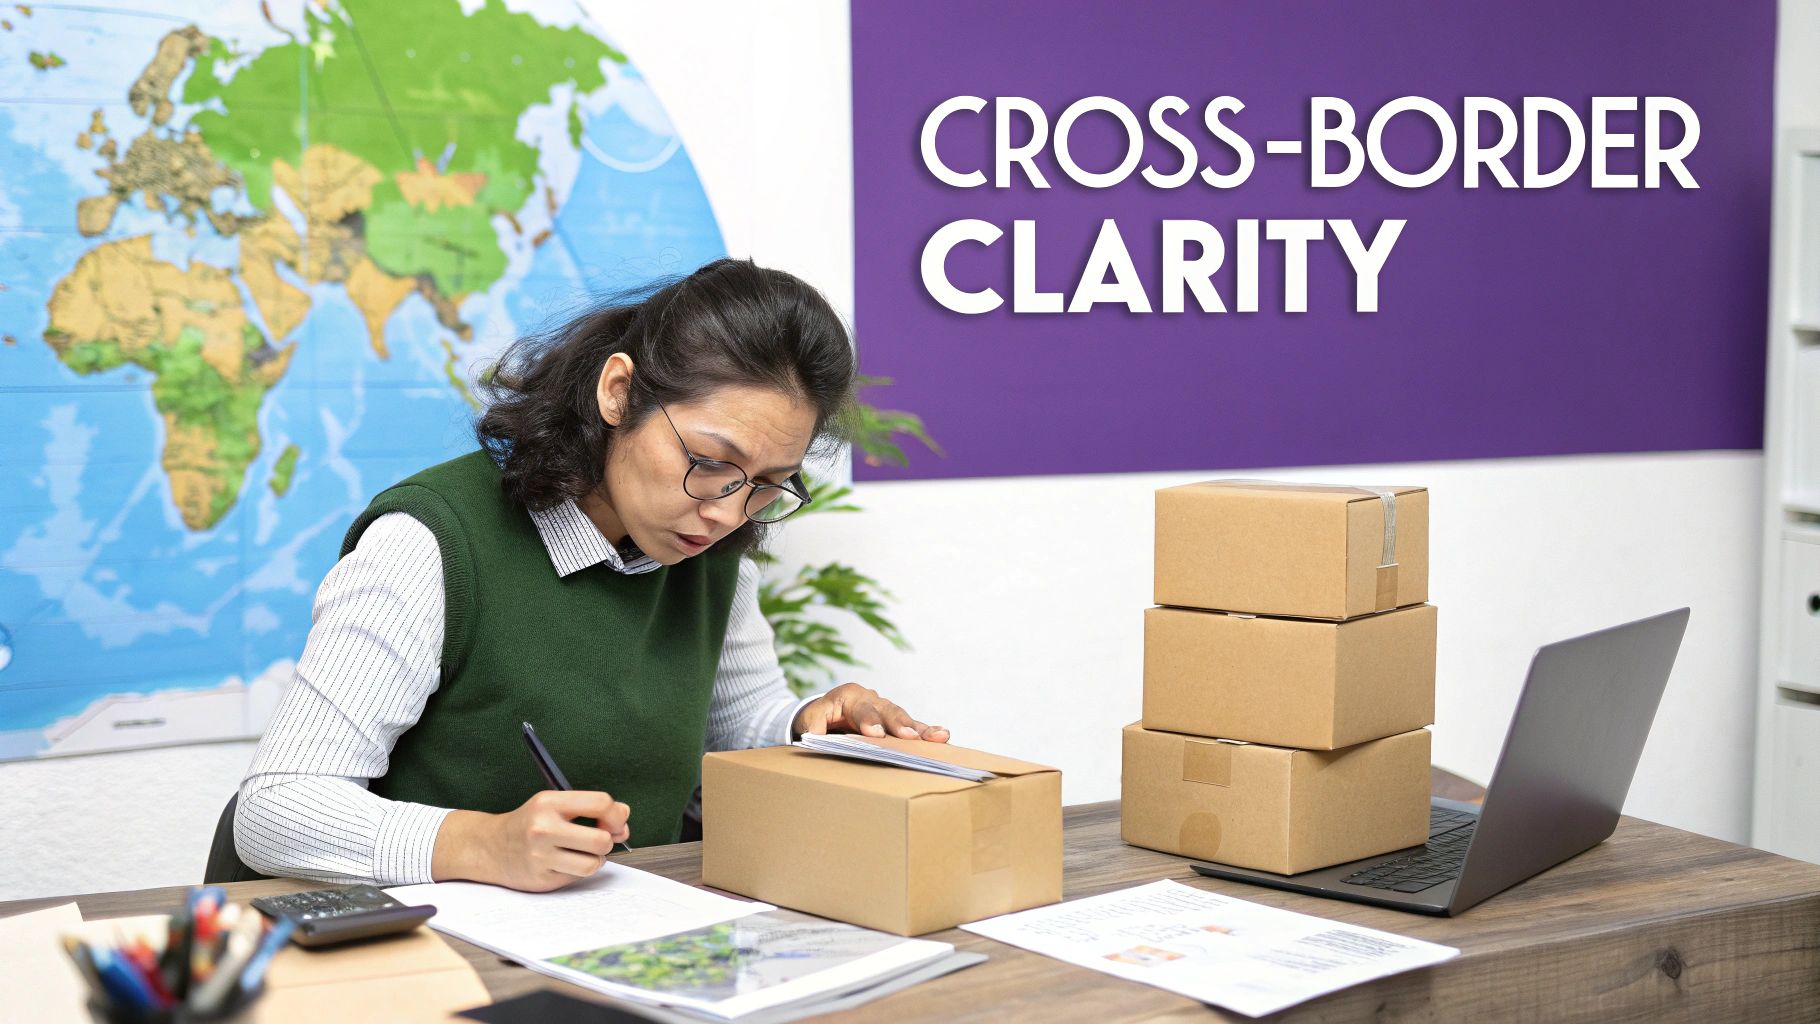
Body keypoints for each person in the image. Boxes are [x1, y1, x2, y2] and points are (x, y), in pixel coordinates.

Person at [234, 258, 947, 892]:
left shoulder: (706, 548)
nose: (730, 512)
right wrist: (481, 844)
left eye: (767, 482)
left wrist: (809, 726)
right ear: (617, 392)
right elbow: (277, 809)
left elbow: (736, 729)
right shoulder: (428, 545)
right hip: (433, 952)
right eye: (710, 462)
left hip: (617, 936)